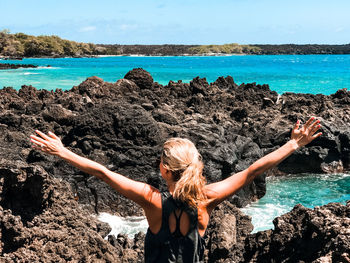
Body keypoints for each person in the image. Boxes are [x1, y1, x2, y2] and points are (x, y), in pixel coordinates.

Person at [30, 117, 321, 263]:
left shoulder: (152, 200)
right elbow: (252, 171)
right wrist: (294, 144)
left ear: (164, 170)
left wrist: (62, 152)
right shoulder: (207, 198)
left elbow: (102, 172)